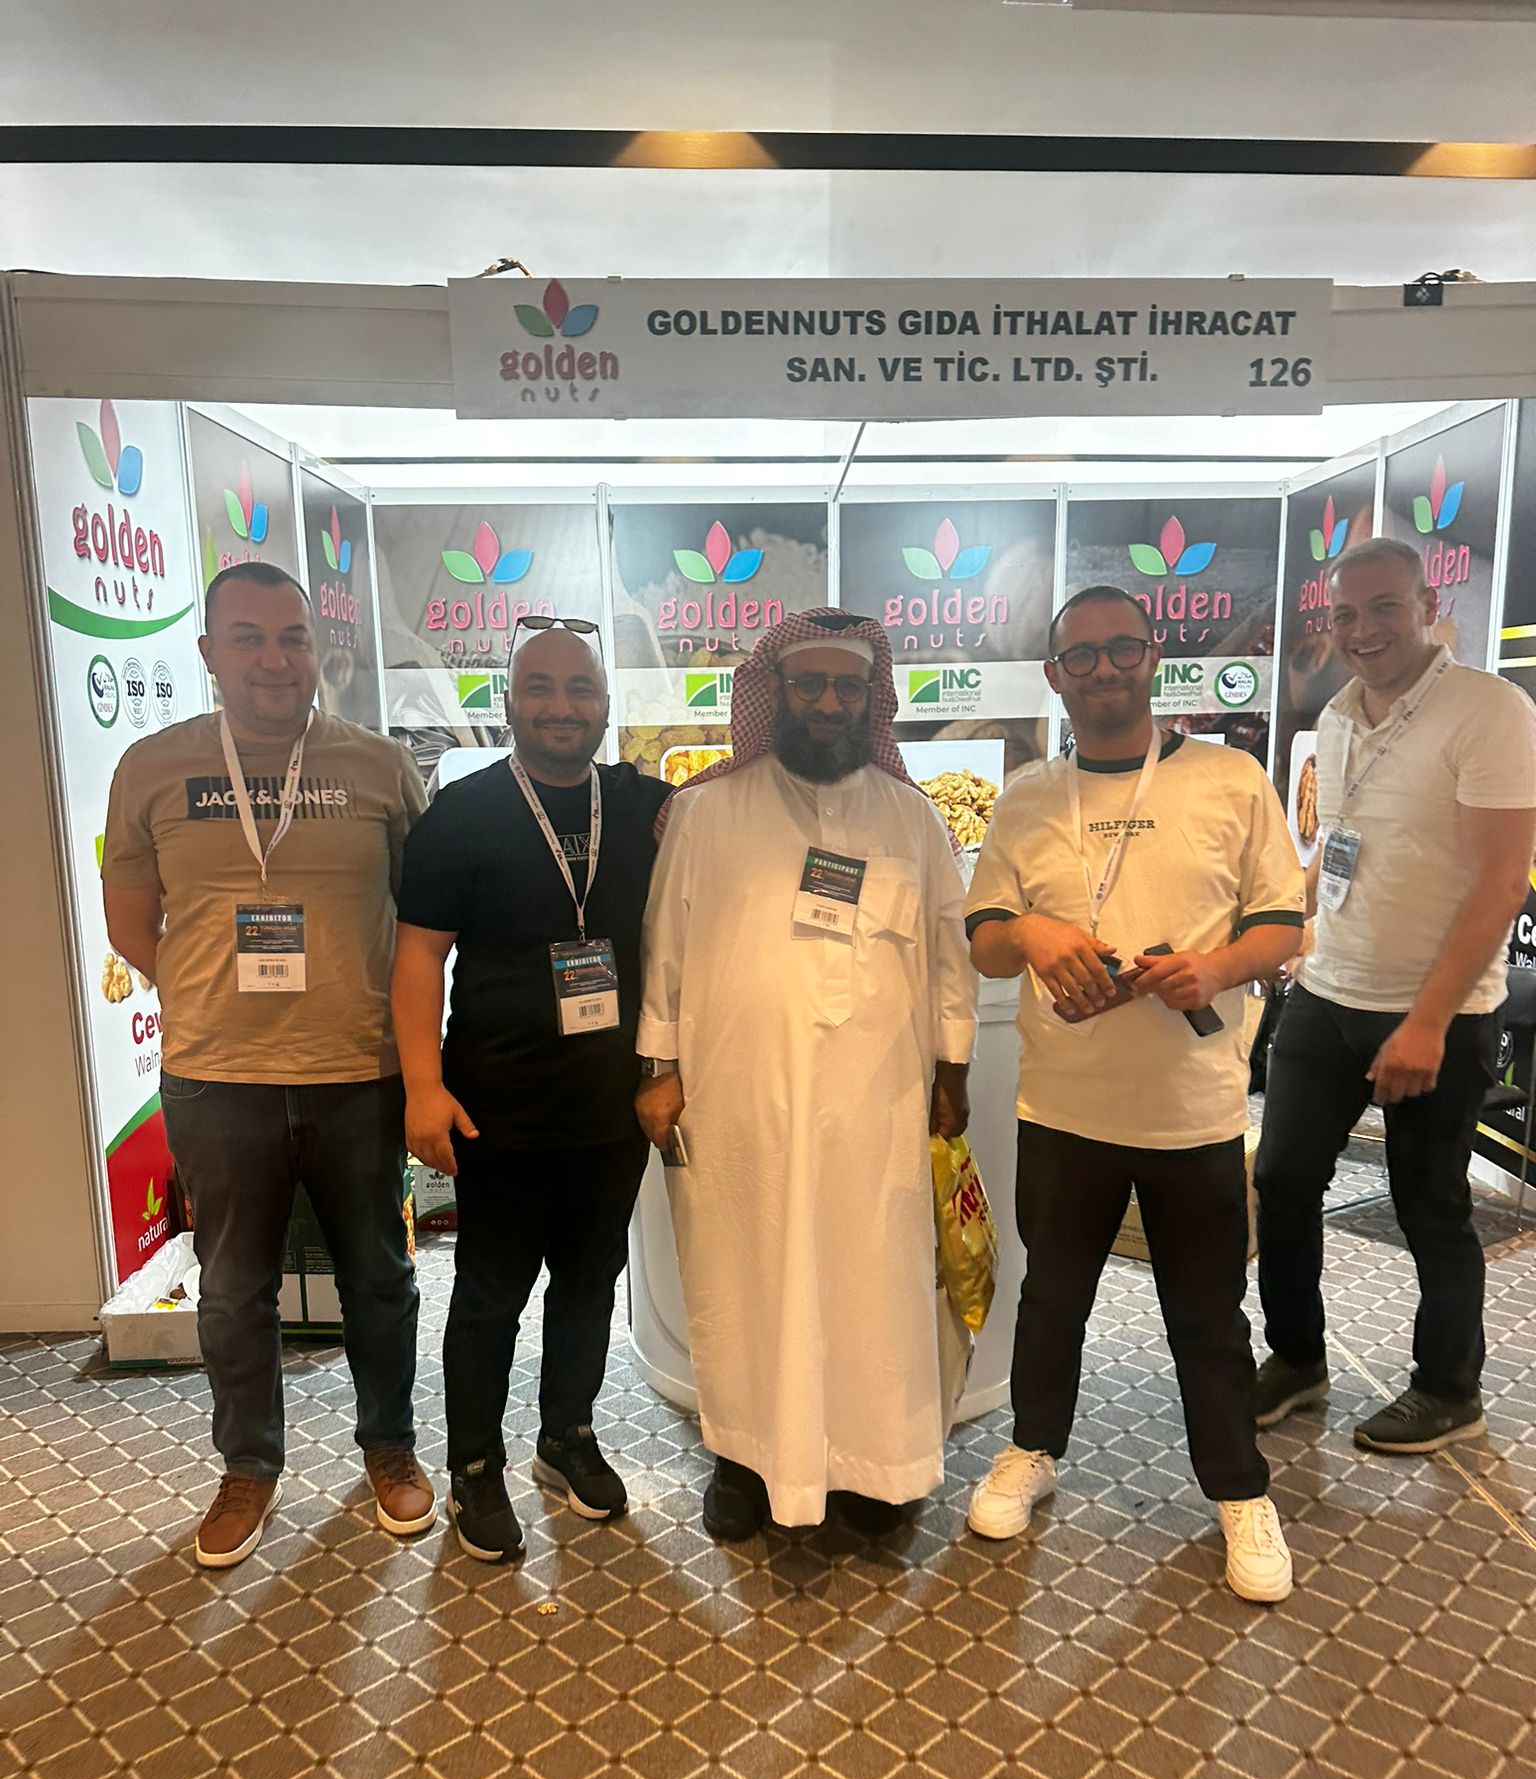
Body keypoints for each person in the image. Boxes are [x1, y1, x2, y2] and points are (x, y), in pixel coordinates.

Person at [964, 586, 1304, 1603]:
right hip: (1063, 1107)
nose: (1104, 669)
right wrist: (1032, 932)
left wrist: (1216, 967)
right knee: (1052, 1299)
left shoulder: (1229, 778)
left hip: (1192, 1110)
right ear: (1054, 674)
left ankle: (1240, 1490)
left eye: (1123, 649)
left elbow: (1282, 924)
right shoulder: (1027, 796)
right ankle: (1032, 1448)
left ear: (1154, 656)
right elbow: (983, 940)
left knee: (1207, 1312)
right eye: (1082, 655)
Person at [102, 562, 432, 1568]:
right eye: (247, 637)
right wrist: (213, 996)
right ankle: (248, 1468)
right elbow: (130, 923)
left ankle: (390, 1448)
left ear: (317, 651)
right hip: (217, 1078)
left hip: (358, 1070)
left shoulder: (380, 767)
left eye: (293, 637)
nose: (274, 659)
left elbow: (422, 926)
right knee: (233, 1287)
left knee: (378, 1274)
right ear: (209, 652)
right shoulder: (152, 767)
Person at [635, 609, 978, 1541]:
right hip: (741, 1098)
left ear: (871, 700)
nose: (829, 704)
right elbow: (665, 950)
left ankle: (876, 1471)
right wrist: (658, 1069)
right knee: (746, 1274)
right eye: (810, 685)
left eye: (847, 688)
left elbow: (950, 957)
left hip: (880, 1105)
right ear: (774, 693)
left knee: (875, 1281)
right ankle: (746, 1460)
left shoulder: (912, 819)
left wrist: (953, 1069)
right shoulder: (706, 814)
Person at [392, 621, 667, 1563]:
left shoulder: (645, 807)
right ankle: (474, 1463)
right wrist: (421, 1088)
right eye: (540, 688)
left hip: (611, 1108)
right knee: (489, 1295)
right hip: (496, 1109)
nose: (561, 707)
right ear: (508, 702)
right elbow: (418, 959)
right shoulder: (461, 813)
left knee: (590, 1285)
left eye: (580, 689)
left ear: (605, 703)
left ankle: (567, 1435)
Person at [1255, 539, 1536, 1453]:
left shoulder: (1489, 712)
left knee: (1429, 1204)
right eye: (1346, 614)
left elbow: (1502, 881)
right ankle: (1297, 1358)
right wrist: (1295, 931)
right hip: (1327, 993)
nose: (1364, 630)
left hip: (1437, 1012)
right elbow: (1340, 847)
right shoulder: (1339, 714)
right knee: (1282, 1182)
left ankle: (1450, 1389)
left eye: (1385, 608)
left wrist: (1425, 1022)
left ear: (1428, 606)